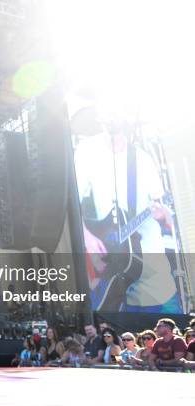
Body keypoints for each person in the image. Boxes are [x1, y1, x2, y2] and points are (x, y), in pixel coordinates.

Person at [73, 106, 180, 313]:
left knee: (164, 326)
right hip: (112, 265)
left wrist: (162, 214)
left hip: (148, 264)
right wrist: (86, 237)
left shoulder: (142, 159)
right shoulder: (87, 151)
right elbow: (71, 204)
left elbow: (165, 211)